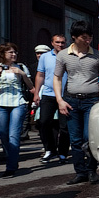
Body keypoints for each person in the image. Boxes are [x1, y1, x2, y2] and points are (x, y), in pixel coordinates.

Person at [55, 20, 99, 185]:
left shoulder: (98, 55)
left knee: (90, 137)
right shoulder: (63, 55)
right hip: (71, 100)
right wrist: (60, 100)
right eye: (84, 38)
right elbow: (57, 78)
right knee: (76, 139)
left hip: (92, 101)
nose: (88, 41)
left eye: (90, 37)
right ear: (74, 37)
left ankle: (92, 170)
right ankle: (80, 172)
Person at [0, 43, 35, 177]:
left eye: (15, 52)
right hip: (0, 103)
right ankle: (11, 156)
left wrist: (23, 74)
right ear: (3, 54)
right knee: (3, 134)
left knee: (14, 135)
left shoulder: (21, 66)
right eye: (10, 52)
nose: (14, 55)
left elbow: (31, 86)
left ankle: (11, 166)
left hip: (18, 102)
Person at [35, 36, 71, 164]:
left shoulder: (70, 55)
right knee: (44, 122)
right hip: (48, 94)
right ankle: (50, 150)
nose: (60, 45)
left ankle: (63, 153)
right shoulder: (45, 57)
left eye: (62, 42)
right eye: (57, 42)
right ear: (52, 43)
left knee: (64, 127)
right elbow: (40, 75)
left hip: (65, 95)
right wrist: (36, 93)